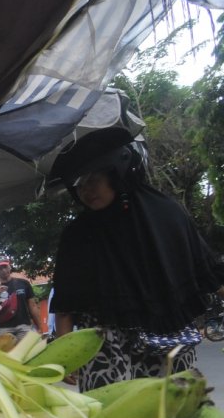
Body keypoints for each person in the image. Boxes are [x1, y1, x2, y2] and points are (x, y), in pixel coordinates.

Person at [49, 128, 224, 390]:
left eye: (94, 177)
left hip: (168, 333)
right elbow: (66, 301)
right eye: (80, 183)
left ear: (117, 173)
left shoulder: (166, 214)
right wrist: (63, 359)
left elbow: (206, 268)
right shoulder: (77, 235)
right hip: (105, 341)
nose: (86, 189)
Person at [0, 256, 43, 342]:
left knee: (27, 353)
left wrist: (40, 327)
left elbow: (33, 306)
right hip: (2, 329)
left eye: (5, 267)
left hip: (24, 326)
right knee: (7, 355)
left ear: (10, 267)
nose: (3, 270)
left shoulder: (23, 283)